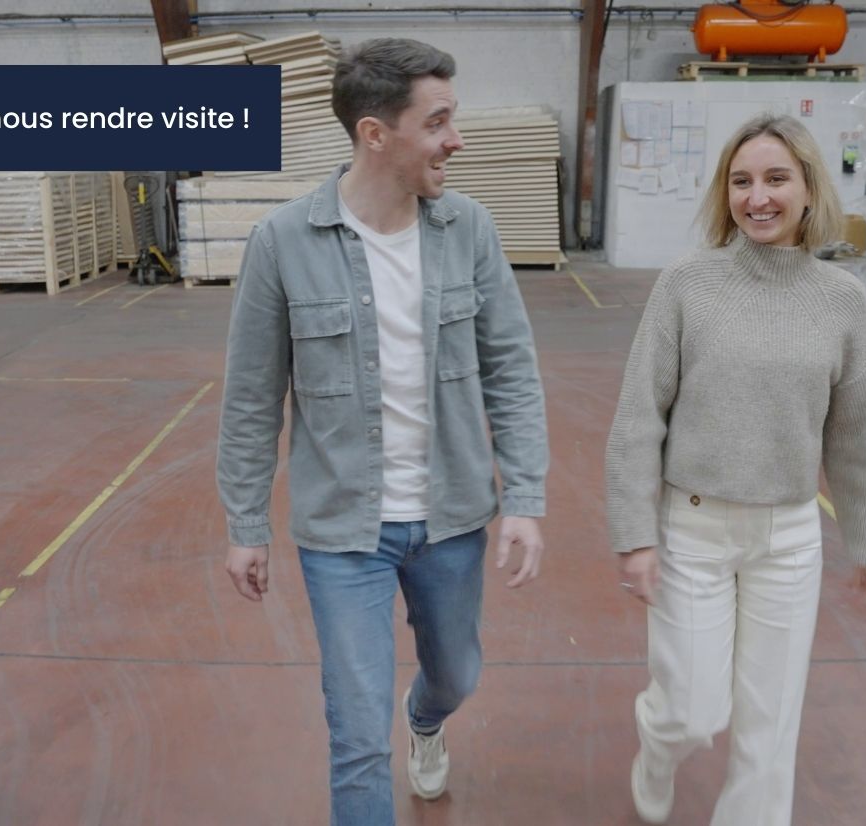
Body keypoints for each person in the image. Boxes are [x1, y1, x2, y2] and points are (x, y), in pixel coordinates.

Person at [215, 37, 549, 826]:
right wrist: (245, 524)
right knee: (357, 733)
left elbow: (513, 371)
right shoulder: (283, 244)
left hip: (453, 519)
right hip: (343, 534)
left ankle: (427, 718)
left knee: (457, 675)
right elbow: (252, 397)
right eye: (437, 123)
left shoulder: (470, 231)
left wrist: (526, 498)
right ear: (376, 134)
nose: (454, 140)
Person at [604, 112, 866, 825]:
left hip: (789, 537)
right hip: (692, 530)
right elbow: (639, 417)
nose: (756, 197)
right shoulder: (688, 284)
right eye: (741, 181)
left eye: (774, 179)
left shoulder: (843, 300)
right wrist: (634, 535)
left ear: (807, 189)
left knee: (769, 731)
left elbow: (857, 433)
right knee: (692, 710)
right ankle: (659, 743)